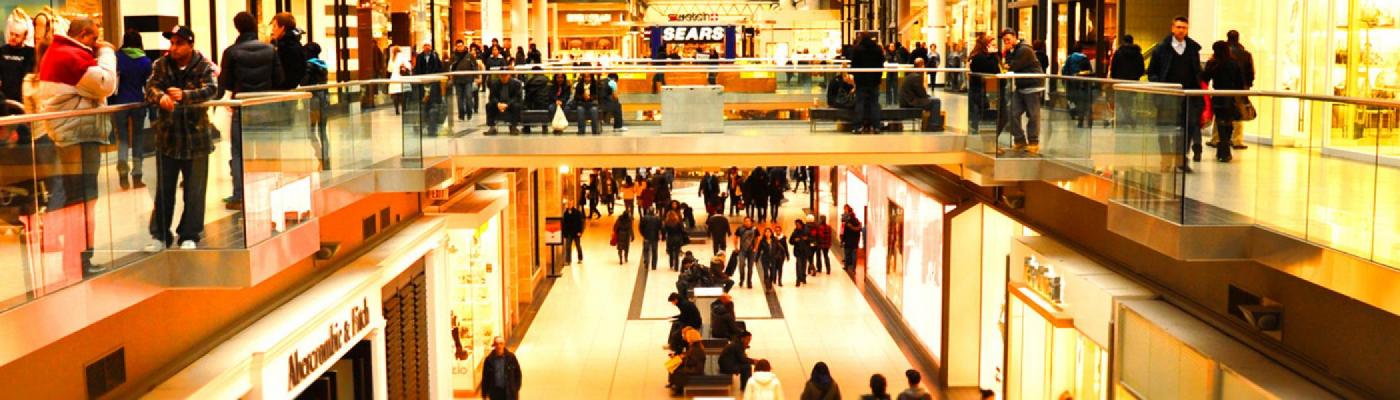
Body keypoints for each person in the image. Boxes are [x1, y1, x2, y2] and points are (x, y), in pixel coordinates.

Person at [34, 17, 117, 272]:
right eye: (93, 38)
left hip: (70, 134)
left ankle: (77, 260)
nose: (96, 44)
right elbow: (108, 84)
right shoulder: (72, 56)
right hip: (79, 135)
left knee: (77, 198)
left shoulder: (58, 52)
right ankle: (80, 261)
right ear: (83, 34)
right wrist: (106, 52)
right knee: (83, 199)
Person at [145, 25, 218, 251]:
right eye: (171, 43)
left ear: (190, 44)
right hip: (168, 137)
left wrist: (186, 96)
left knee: (195, 191)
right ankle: (160, 235)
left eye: (178, 43)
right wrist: (160, 98)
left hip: (196, 139)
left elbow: (213, 89)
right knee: (164, 190)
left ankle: (190, 234)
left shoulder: (203, 65)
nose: (173, 48)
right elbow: (150, 87)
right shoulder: (161, 65)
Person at [219, 12, 281, 211]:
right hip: (267, 108)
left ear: (237, 28)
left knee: (238, 153)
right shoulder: (270, 50)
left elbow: (225, 83)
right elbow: (279, 79)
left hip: (242, 108)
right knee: (267, 152)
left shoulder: (231, 52)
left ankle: (239, 195)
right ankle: (268, 191)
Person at [1146, 16, 1204, 172]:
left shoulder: (1192, 49)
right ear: (1172, 28)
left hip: (1188, 95)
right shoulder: (1161, 49)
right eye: (1178, 27)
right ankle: (1166, 159)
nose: (1181, 30)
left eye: (1184, 27)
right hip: (1167, 95)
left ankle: (1181, 159)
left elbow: (1196, 71)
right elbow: (1152, 72)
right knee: (1165, 128)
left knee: (1188, 127)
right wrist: (1160, 85)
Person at [110, 30, 151, 190]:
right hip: (138, 103)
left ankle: (122, 173)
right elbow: (147, 85)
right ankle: (137, 175)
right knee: (138, 137)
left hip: (120, 103)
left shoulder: (117, 58)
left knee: (122, 138)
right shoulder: (145, 61)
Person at [1200, 40, 1247, 163]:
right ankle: (1224, 149)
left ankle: (1223, 149)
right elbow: (1240, 82)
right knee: (1229, 123)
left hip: (1218, 96)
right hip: (1232, 96)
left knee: (1220, 123)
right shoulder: (1234, 63)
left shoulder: (1213, 63)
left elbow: (1204, 78)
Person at [1000, 29, 1045, 152]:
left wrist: (1008, 63)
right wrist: (1006, 54)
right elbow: (1007, 65)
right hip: (1021, 86)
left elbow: (1013, 66)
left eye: (1008, 39)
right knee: (1012, 112)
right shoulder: (1012, 51)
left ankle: (1033, 142)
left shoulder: (1025, 49)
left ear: (1015, 37)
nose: (1006, 42)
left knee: (1033, 115)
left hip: (1032, 85)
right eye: (1004, 41)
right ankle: (1020, 140)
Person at [1210, 30, 1254, 150]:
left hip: (1222, 89)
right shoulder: (1246, 54)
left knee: (1220, 114)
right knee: (1238, 113)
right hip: (1240, 88)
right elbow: (1250, 72)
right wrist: (1248, 85)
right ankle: (1237, 140)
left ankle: (1216, 138)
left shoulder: (1221, 54)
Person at [851, 33, 885, 133]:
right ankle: (876, 126)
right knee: (874, 103)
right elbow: (881, 63)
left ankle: (857, 126)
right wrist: (878, 77)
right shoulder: (877, 49)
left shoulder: (857, 49)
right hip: (874, 81)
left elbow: (854, 65)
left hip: (861, 81)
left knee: (860, 103)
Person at [1108, 35, 1145, 128]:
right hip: (1133, 83)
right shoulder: (1138, 54)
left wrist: (1114, 78)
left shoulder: (1118, 53)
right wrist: (1136, 76)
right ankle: (1129, 119)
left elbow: (1114, 68)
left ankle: (1125, 120)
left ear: (1123, 41)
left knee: (1121, 102)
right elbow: (1141, 69)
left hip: (1120, 82)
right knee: (1130, 102)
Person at [967, 36, 1000, 133]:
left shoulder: (980, 56)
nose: (995, 47)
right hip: (982, 88)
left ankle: (977, 127)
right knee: (981, 109)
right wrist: (993, 55)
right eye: (993, 45)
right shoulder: (981, 57)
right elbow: (994, 70)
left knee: (978, 109)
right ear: (986, 45)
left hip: (982, 88)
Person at [899, 58, 942, 130]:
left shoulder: (911, 75)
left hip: (907, 100)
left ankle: (933, 124)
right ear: (922, 66)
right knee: (936, 101)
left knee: (933, 100)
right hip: (910, 102)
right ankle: (934, 125)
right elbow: (922, 94)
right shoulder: (917, 77)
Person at [270, 12, 306, 90]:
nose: (272, 30)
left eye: (274, 26)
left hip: (281, 92)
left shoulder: (284, 47)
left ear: (282, 28)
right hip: (290, 90)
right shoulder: (296, 44)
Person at [1062, 43, 1094, 128]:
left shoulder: (1070, 58)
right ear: (1081, 49)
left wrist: (1065, 80)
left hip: (1072, 84)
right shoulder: (1085, 58)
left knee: (1073, 99)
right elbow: (1089, 71)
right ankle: (1083, 120)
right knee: (1083, 102)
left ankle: (1073, 113)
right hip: (1083, 84)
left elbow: (1065, 71)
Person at [669, 327, 706, 396]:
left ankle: (679, 389)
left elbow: (691, 361)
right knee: (676, 366)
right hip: (695, 366)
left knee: (678, 370)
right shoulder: (696, 345)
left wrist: (681, 360)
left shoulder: (695, 348)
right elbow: (690, 357)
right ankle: (676, 385)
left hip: (696, 369)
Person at [448, 39, 479, 121]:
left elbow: (475, 66)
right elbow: (450, 68)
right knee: (459, 98)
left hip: (468, 80)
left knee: (469, 96)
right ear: (456, 47)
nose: (460, 48)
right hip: (457, 80)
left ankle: (469, 113)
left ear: (463, 46)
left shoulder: (469, 55)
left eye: (461, 46)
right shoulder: (453, 56)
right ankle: (461, 115)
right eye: (458, 46)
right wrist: (451, 78)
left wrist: (476, 77)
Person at [735, 217, 759, 288]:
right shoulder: (740, 229)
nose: (747, 222)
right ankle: (741, 279)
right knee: (741, 265)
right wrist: (736, 246)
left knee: (750, 267)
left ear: (751, 222)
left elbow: (757, 238)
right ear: (744, 222)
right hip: (742, 250)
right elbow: (735, 237)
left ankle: (749, 281)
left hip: (751, 251)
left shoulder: (755, 229)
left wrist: (755, 248)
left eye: (749, 221)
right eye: (746, 221)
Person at [663, 205, 688, 270]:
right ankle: (676, 267)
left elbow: (664, 230)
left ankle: (671, 264)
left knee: (671, 252)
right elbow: (682, 230)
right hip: (677, 238)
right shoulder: (678, 223)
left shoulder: (667, 223)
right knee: (677, 253)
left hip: (670, 239)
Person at [789, 219, 812, 286]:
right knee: (798, 265)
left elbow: (811, 239)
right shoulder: (795, 232)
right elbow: (790, 241)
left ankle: (803, 277)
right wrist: (795, 240)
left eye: (798, 224)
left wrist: (807, 239)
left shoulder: (807, 231)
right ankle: (798, 279)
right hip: (798, 251)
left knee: (804, 265)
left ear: (801, 224)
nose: (797, 226)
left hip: (805, 251)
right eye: (796, 225)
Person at [639, 206, 662, 270]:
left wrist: (643, 234)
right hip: (655, 237)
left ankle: (646, 260)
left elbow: (641, 228)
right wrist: (661, 235)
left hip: (646, 237)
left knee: (646, 250)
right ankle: (654, 265)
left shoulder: (644, 218)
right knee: (654, 251)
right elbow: (661, 227)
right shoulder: (657, 218)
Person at [841, 205, 862, 270]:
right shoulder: (857, 222)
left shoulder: (847, 223)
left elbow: (845, 233)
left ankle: (846, 266)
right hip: (855, 242)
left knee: (847, 254)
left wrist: (842, 240)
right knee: (854, 255)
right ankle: (854, 268)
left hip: (848, 242)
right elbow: (859, 232)